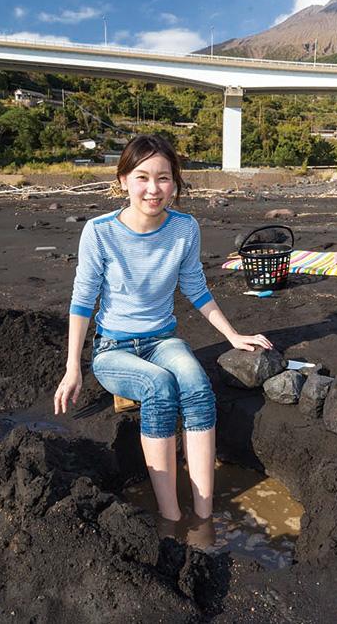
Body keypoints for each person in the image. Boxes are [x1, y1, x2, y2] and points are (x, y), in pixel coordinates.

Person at [53, 134, 272, 526]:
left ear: (175, 183)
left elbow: (196, 288)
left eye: (164, 178)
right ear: (123, 180)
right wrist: (73, 366)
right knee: (159, 388)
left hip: (163, 340)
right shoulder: (99, 232)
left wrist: (233, 336)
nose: (153, 189)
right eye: (142, 177)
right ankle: (172, 516)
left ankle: (203, 516)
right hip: (114, 349)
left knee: (197, 386)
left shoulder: (185, 229)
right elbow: (83, 301)